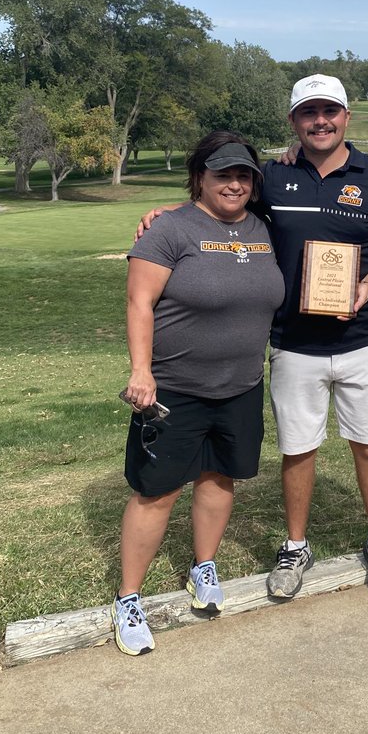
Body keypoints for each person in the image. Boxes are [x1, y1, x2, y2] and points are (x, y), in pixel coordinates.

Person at [138, 75, 368, 599]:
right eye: (309, 113)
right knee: (298, 449)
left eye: (330, 110)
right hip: (291, 341)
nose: (320, 120)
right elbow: (220, 204)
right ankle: (295, 543)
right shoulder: (271, 177)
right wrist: (164, 215)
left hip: (363, 338)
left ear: (346, 116)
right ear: (294, 122)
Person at [112, 132, 285, 657]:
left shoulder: (265, 228)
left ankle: (202, 566)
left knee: (219, 476)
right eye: (221, 175)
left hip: (241, 385)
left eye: (243, 175)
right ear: (200, 178)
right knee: (157, 490)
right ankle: (128, 598)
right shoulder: (169, 230)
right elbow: (140, 303)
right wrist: (141, 370)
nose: (234, 183)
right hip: (175, 388)